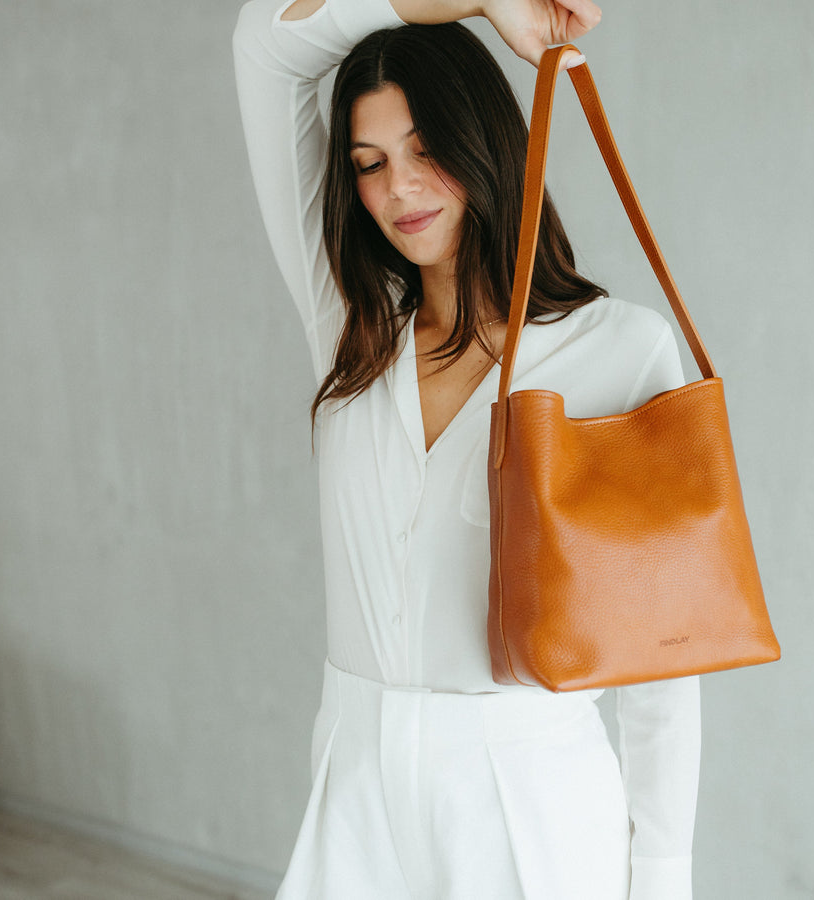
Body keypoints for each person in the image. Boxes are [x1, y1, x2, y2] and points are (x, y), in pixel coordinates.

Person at [232, 1, 701, 897]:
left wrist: (664, 873)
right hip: (356, 787)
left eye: (423, 148)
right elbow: (264, 43)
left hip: (527, 798)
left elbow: (663, 658)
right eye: (369, 164)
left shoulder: (621, 350)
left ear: (483, 141)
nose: (399, 189)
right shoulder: (353, 331)